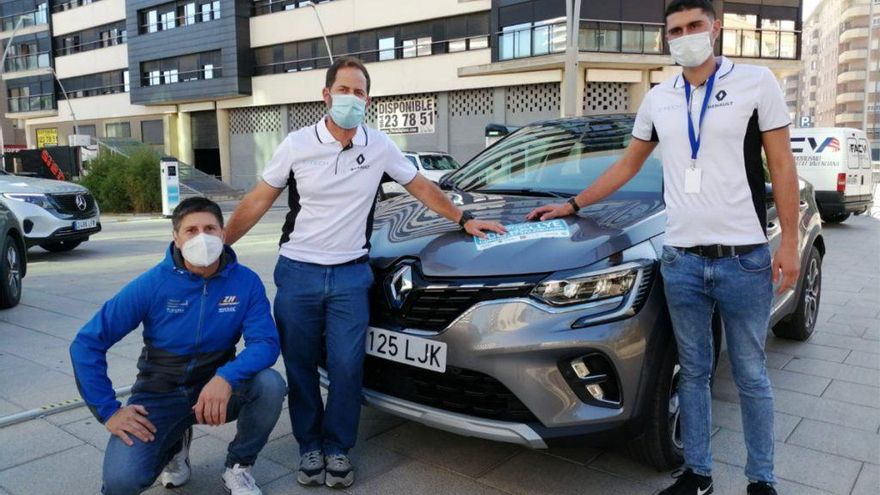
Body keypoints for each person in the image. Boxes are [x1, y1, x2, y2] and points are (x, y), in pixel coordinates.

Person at [526, 1, 799, 494]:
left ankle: (761, 480)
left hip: (744, 258)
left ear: (714, 28)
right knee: (693, 371)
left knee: (751, 373)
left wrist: (791, 245)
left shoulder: (756, 83)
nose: (686, 35)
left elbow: (781, 166)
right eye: (675, 30)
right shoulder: (659, 97)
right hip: (681, 260)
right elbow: (627, 166)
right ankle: (697, 475)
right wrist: (572, 203)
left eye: (695, 25)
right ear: (665, 39)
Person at [223, 56, 505, 489]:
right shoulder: (297, 144)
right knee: (299, 367)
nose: (351, 99)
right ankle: (309, 447)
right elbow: (259, 199)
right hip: (298, 273)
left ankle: (337, 448)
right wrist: (220, 246)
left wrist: (463, 219)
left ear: (367, 99)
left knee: (347, 367)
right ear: (326, 94)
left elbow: (421, 186)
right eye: (344, 90)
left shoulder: (379, 146)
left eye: (359, 92)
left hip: (351, 276)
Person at [70, 197, 286, 495]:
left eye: (210, 228)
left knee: (270, 384)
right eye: (191, 230)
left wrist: (226, 377)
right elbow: (87, 343)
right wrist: (109, 411)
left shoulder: (245, 282)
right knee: (121, 482)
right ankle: (174, 447)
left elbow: (265, 343)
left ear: (223, 234)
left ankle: (239, 466)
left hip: (216, 387)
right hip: (160, 393)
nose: (202, 237)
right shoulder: (153, 283)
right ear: (176, 237)